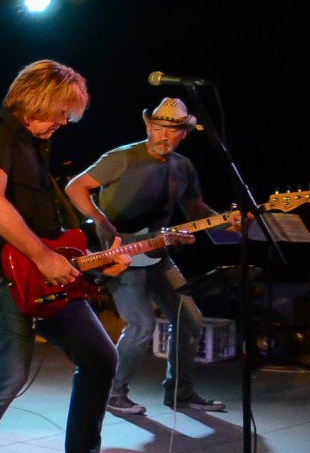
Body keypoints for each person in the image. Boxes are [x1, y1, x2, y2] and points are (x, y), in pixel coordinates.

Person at [0, 59, 148, 453]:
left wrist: (93, 264)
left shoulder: (37, 147)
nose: (64, 121)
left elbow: (50, 231)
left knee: (101, 358)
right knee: (10, 373)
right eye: (61, 111)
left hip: (50, 276)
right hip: (5, 275)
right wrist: (42, 257)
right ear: (37, 99)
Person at [65, 97, 229, 416]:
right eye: (158, 129)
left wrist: (230, 221)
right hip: (119, 253)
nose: (164, 136)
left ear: (184, 134)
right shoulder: (122, 157)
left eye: (172, 131)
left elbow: (197, 212)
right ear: (148, 127)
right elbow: (75, 187)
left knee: (190, 318)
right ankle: (113, 392)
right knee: (141, 324)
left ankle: (180, 393)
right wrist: (99, 219)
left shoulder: (183, 167)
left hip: (157, 251)